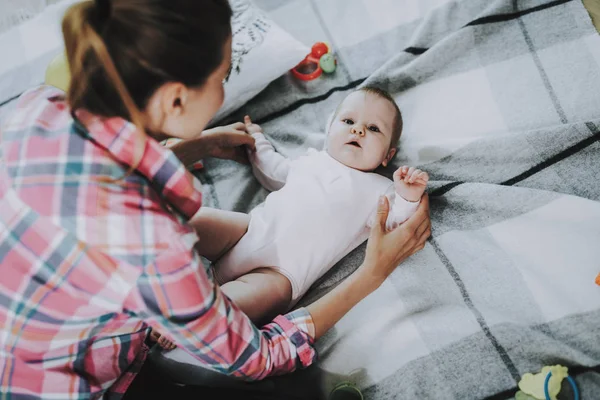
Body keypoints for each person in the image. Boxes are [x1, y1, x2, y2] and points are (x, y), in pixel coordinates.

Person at [0, 0, 430, 399]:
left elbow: (96, 178)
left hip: (277, 271)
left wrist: (190, 147)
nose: (224, 95)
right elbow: (260, 358)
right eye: (224, 78)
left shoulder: (37, 105)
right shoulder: (155, 243)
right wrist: (372, 273)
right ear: (176, 100)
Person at [191, 87, 429, 324]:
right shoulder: (312, 160)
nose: (358, 130)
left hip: (279, 273)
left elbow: (394, 223)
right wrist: (257, 141)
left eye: (373, 128)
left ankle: (190, 317)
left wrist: (408, 197)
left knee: (224, 311)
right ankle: (158, 242)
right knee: (192, 220)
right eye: (348, 121)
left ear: (388, 156)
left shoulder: (380, 188)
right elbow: (273, 170)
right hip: (248, 231)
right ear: (330, 130)